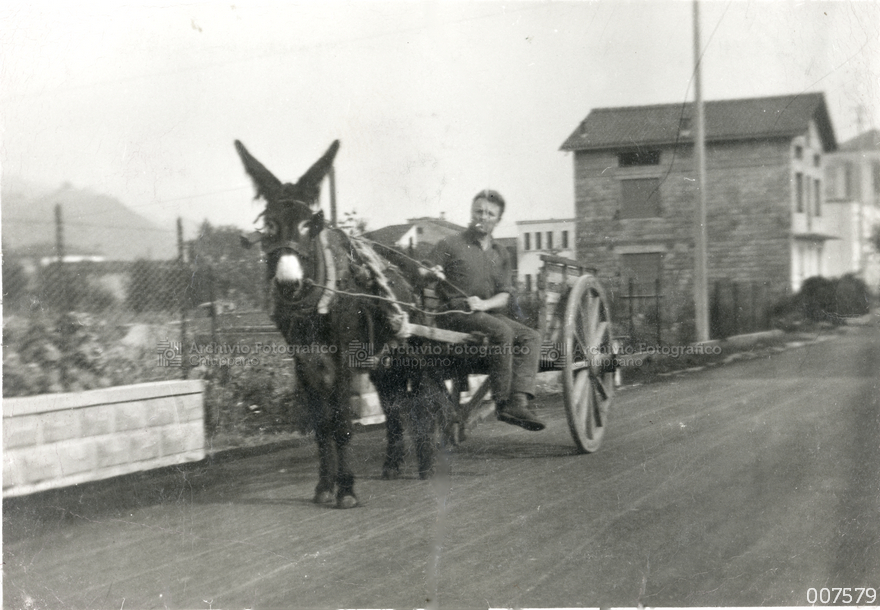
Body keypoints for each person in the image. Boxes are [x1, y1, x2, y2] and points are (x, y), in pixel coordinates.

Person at [424, 189, 545, 431]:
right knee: (502, 332)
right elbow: (424, 270)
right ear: (471, 212)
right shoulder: (450, 244)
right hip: (455, 314)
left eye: (490, 213)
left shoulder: (501, 253)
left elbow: (504, 295)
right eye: (478, 211)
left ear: (498, 220)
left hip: (487, 314)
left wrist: (484, 304)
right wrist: (429, 272)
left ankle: (519, 400)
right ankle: (502, 402)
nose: (483, 216)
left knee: (531, 336)